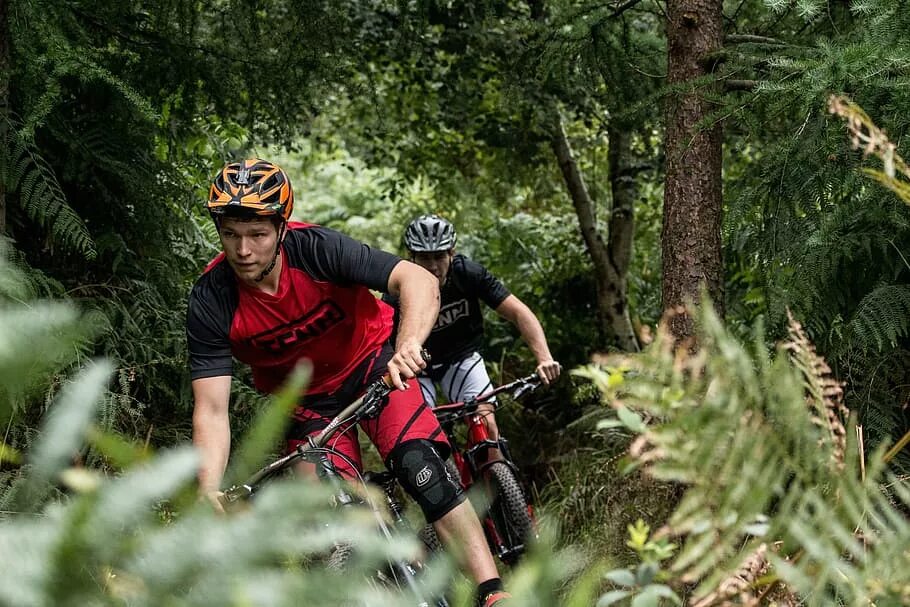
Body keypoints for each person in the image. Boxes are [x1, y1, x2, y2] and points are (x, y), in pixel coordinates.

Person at [186, 159, 512, 607]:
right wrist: (208, 486)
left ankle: (492, 591)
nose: (243, 250)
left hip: (375, 365)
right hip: (305, 405)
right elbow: (211, 409)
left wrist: (409, 345)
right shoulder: (212, 299)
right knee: (333, 519)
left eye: (257, 235)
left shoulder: (316, 249)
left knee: (421, 466)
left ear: (281, 229)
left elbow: (415, 279)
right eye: (231, 235)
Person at [385, 214, 561, 448]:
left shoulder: (468, 274)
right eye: (425, 258)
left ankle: (496, 475)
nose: (433, 266)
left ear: (452, 253)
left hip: (461, 357)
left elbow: (519, 312)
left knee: (486, 423)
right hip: (417, 368)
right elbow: (379, 342)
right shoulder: (396, 292)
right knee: (424, 439)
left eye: (439, 256)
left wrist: (544, 358)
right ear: (412, 258)